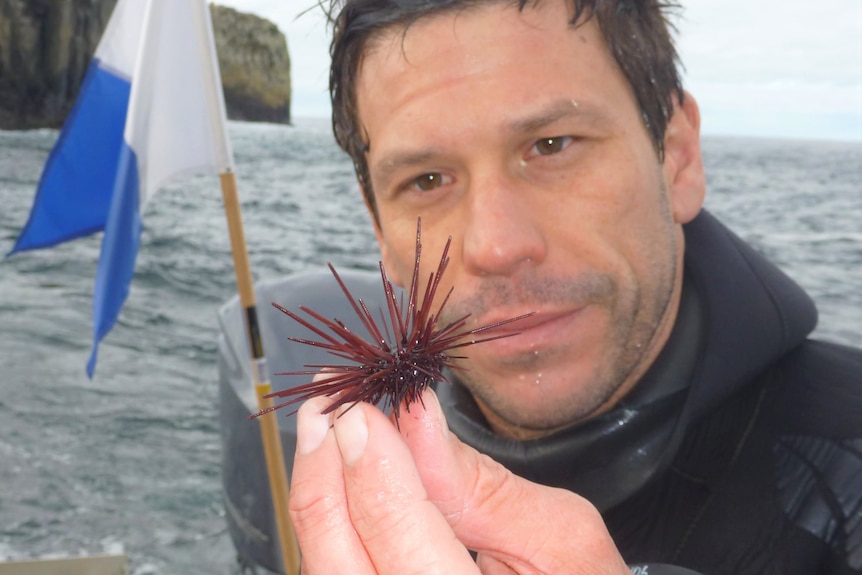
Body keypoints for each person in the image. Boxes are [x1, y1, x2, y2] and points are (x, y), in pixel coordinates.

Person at [287, 0, 862, 573]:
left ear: (678, 156)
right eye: (427, 180)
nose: (496, 247)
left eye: (552, 144)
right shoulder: (359, 488)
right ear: (379, 231)